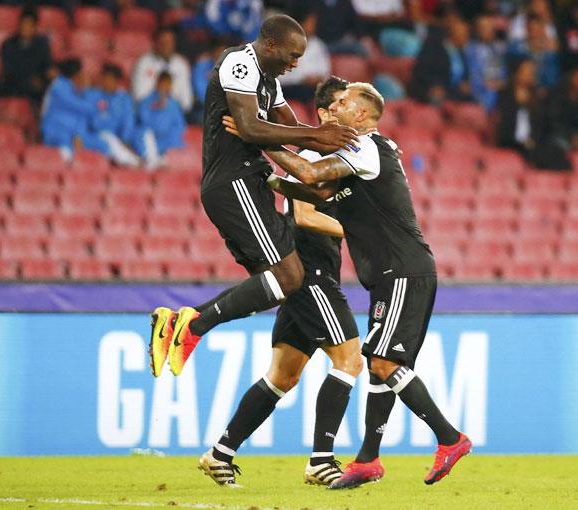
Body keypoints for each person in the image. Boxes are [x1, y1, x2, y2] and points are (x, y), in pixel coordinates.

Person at [238, 81, 471, 488]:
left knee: (383, 362)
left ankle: (450, 438)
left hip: (404, 270)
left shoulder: (366, 147)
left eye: (344, 103)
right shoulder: (358, 156)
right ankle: (367, 460)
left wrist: (255, 137)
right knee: (380, 371)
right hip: (386, 275)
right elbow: (316, 188)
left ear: (361, 115)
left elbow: (310, 173)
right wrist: (271, 181)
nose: (334, 108)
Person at [147, 15, 357, 382]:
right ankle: (192, 327)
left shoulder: (269, 80)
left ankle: (182, 325)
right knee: (289, 275)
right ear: (270, 44)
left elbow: (288, 129)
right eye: (292, 55)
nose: (296, 63)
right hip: (234, 181)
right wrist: (313, 137)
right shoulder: (240, 62)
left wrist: (314, 139)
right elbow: (249, 126)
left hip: (249, 181)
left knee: (277, 283)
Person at [198, 76, 363, 487]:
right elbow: (305, 216)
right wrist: (363, 232)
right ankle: (321, 459)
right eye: (342, 103)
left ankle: (220, 454)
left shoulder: (335, 156)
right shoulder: (311, 153)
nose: (351, 109)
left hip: (313, 272)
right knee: (350, 360)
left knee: (283, 377)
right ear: (325, 114)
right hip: (311, 275)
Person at [40, 58, 106, 162]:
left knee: (103, 145)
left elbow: (83, 117)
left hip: (73, 134)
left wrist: (78, 134)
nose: (84, 76)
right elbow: (81, 107)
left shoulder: (80, 90)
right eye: (81, 73)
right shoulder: (59, 87)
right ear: (76, 74)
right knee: (66, 146)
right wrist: (96, 106)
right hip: (55, 134)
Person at [85, 63, 142, 167]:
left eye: (110, 79)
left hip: (119, 139)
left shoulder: (124, 98)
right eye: (105, 78)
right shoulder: (93, 95)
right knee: (107, 135)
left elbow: (128, 121)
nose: (106, 82)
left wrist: (125, 139)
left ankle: (146, 161)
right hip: (97, 136)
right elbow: (93, 123)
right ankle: (132, 162)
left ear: (116, 81)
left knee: (143, 133)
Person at [408, 17, 473, 106]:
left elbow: (465, 76)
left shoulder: (462, 54)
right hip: (432, 89)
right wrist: (434, 85)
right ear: (452, 34)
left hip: (455, 92)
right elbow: (422, 70)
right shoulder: (434, 48)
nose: (466, 38)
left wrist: (465, 83)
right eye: (463, 34)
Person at [133, 71, 186, 169]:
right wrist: (157, 109)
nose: (165, 87)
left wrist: (169, 144)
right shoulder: (146, 101)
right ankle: (152, 162)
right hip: (149, 143)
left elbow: (179, 126)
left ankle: (159, 161)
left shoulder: (174, 104)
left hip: (167, 144)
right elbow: (144, 123)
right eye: (163, 83)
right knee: (146, 135)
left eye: (168, 84)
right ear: (157, 83)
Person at [132, 27, 193, 112]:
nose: (166, 46)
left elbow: (187, 101)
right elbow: (139, 96)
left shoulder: (181, 64)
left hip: (176, 111)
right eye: (163, 43)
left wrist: (171, 105)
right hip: (150, 110)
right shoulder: (144, 63)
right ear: (155, 43)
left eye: (170, 42)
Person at [279, 6, 331, 103]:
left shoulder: (318, 45)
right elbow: (279, 78)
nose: (314, 25)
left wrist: (317, 79)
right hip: (290, 88)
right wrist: (302, 79)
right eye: (310, 22)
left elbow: (326, 73)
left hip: (314, 87)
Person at [0, 7, 51, 104]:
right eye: (23, 24)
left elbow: (46, 66)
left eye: (29, 25)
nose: (25, 27)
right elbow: (8, 71)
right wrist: (28, 80)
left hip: (36, 93)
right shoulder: (8, 44)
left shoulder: (42, 45)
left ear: (35, 27)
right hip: (13, 88)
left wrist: (42, 79)